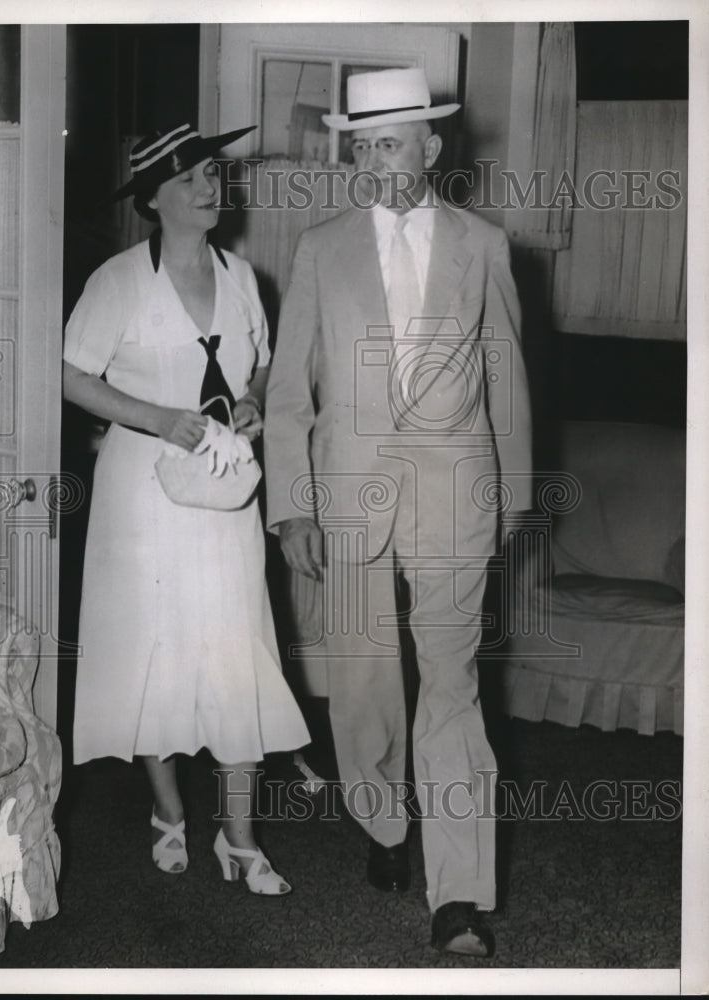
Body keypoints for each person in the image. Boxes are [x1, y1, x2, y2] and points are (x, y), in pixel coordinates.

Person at [264, 68, 532, 951]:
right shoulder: (320, 248)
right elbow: (289, 395)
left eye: (389, 142)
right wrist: (293, 508)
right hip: (346, 494)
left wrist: (513, 499)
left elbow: (508, 379)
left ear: (431, 147)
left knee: (453, 689)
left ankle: (459, 893)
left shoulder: (483, 244)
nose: (373, 160)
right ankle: (382, 823)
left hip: (458, 492)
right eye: (362, 145)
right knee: (366, 686)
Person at [62, 122, 310, 894]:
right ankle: (168, 813)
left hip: (225, 491)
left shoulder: (243, 276)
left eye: (215, 174)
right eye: (195, 178)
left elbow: (265, 366)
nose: (213, 188)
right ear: (155, 199)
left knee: (238, 648)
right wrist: (158, 417)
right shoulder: (117, 281)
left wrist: (251, 407)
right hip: (142, 496)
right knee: (153, 649)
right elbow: (72, 377)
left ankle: (239, 838)